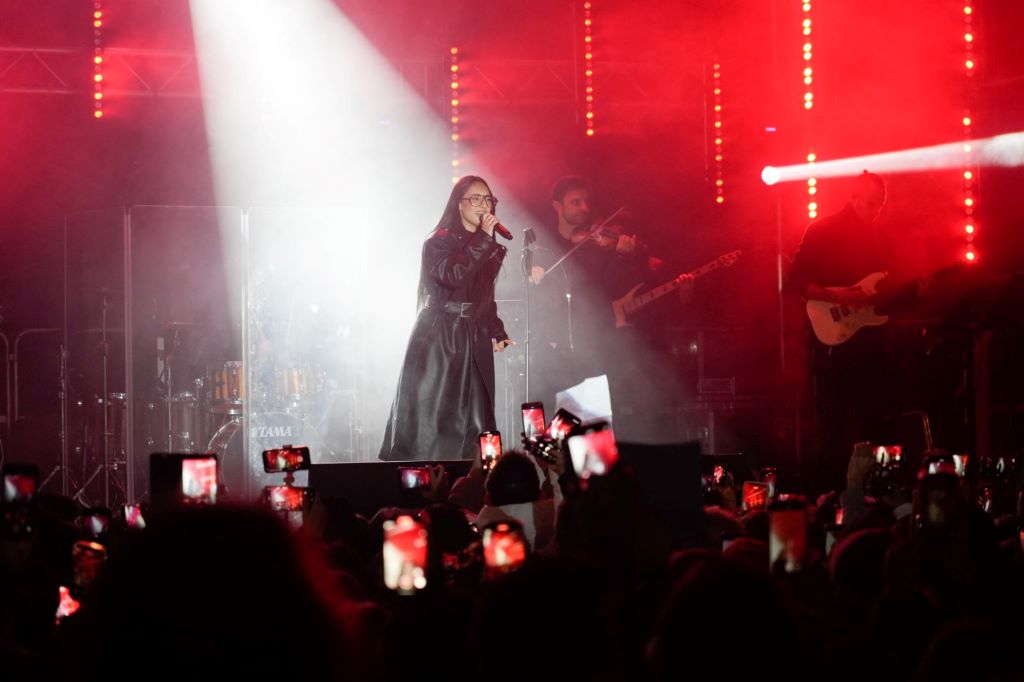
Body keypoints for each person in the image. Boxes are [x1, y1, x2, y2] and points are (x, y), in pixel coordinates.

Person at [379, 176, 515, 461]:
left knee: (478, 419)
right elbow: (452, 276)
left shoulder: (484, 244)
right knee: (435, 418)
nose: (483, 205)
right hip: (440, 338)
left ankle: (473, 475)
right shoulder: (437, 242)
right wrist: (483, 239)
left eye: (488, 199)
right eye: (475, 199)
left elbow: (484, 295)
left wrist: (497, 330)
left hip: (473, 336)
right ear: (459, 204)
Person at [788, 171, 895, 488]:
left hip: (871, 343)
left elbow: (888, 291)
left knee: (871, 418)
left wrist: (914, 292)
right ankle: (831, 490)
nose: (875, 210)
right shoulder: (822, 230)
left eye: (880, 205)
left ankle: (871, 488)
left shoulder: (883, 239)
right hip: (832, 340)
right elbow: (797, 281)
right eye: (870, 203)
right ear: (853, 197)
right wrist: (836, 297)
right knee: (832, 421)